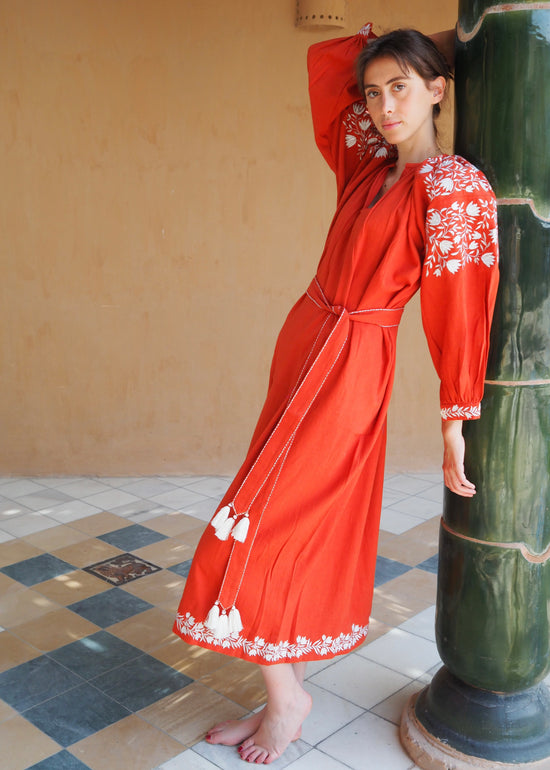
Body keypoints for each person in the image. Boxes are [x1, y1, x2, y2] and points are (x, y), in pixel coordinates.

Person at [173, 23, 499, 765]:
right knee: (272, 522)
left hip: (350, 367)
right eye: (375, 93)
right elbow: (329, 70)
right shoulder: (367, 166)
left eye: (402, 88)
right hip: (304, 349)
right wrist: (417, 49)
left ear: (437, 90)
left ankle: (288, 701)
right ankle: (280, 695)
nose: (385, 107)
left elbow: (462, 306)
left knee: (259, 526)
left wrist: (455, 419)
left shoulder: (451, 187)